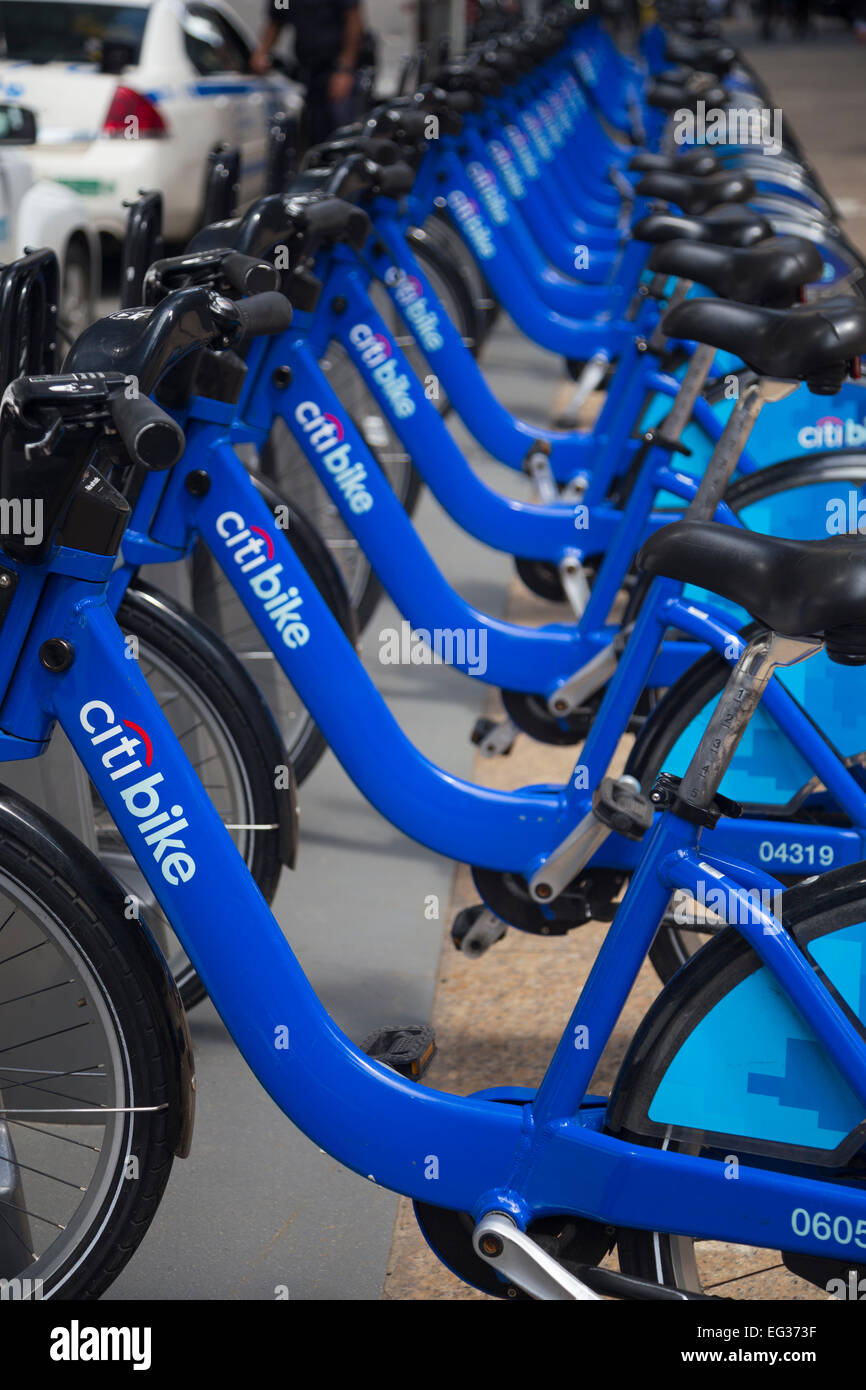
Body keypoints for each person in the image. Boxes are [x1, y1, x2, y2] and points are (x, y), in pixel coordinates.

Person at [251, 1, 363, 146]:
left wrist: (345, 69)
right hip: (310, 71)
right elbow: (277, 20)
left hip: (337, 68)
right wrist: (262, 52)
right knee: (315, 130)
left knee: (341, 127)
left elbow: (353, 22)